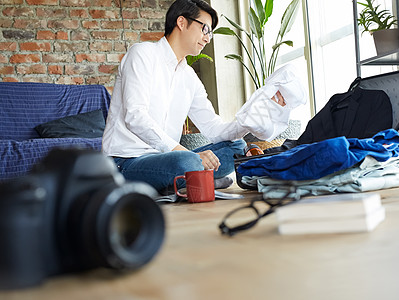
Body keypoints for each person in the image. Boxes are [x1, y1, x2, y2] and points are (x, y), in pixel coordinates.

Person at [102, 0, 284, 194]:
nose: (207, 38)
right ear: (181, 22)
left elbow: (214, 129)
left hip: (166, 159)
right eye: (205, 29)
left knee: (237, 147)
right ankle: (196, 179)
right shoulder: (142, 54)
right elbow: (135, 117)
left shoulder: (189, 77)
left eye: (210, 33)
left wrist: (253, 117)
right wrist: (190, 155)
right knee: (186, 161)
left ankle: (186, 181)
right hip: (125, 163)